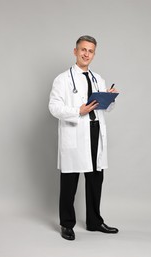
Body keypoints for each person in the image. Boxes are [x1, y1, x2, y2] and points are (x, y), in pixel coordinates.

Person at [49, 35, 119, 241]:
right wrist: (76, 110)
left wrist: (109, 97)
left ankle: (94, 221)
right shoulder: (62, 79)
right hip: (75, 130)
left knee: (96, 178)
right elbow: (53, 107)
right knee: (70, 181)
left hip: (95, 130)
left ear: (94, 54)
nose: (86, 54)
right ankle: (67, 224)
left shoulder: (98, 78)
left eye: (90, 51)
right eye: (83, 50)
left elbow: (105, 108)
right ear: (75, 51)